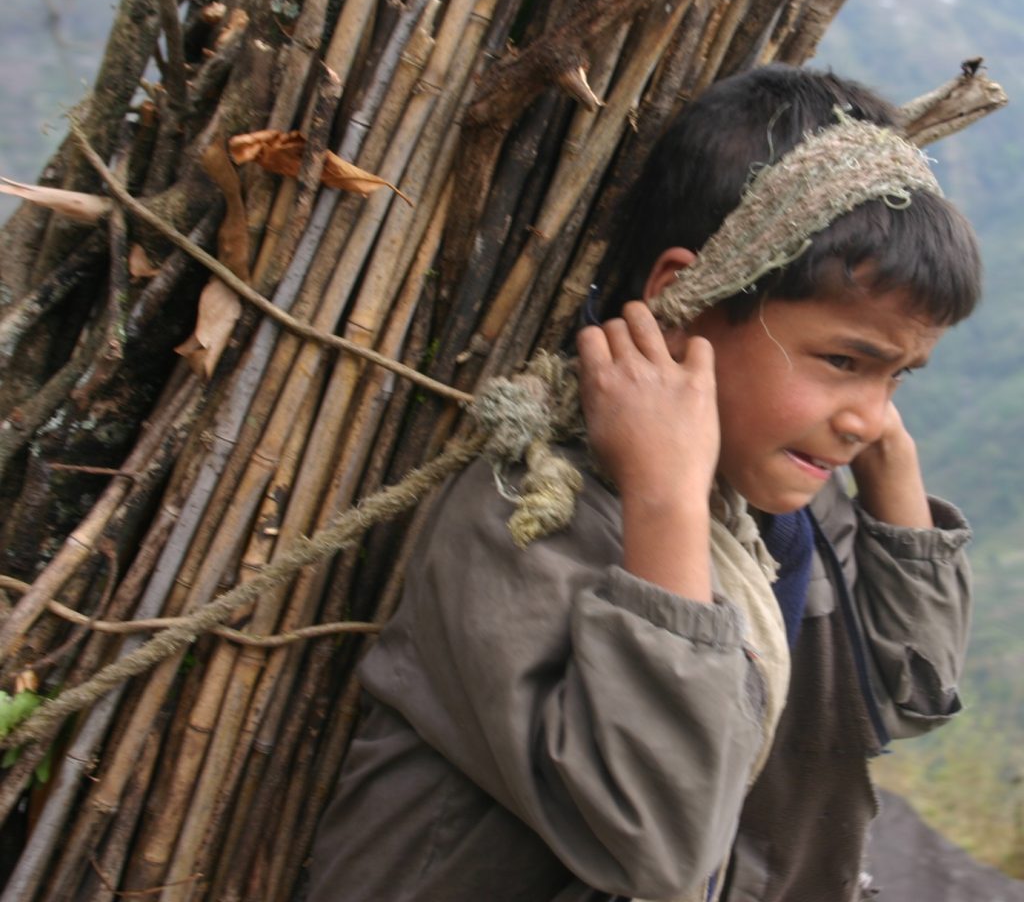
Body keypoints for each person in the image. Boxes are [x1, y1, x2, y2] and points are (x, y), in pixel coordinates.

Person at [306, 64, 981, 902]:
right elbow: (658, 845)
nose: (869, 417)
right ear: (688, 297)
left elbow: (908, 690)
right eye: (845, 360)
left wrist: (888, 457)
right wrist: (665, 501)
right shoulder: (536, 514)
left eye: (900, 375)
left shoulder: (778, 510)